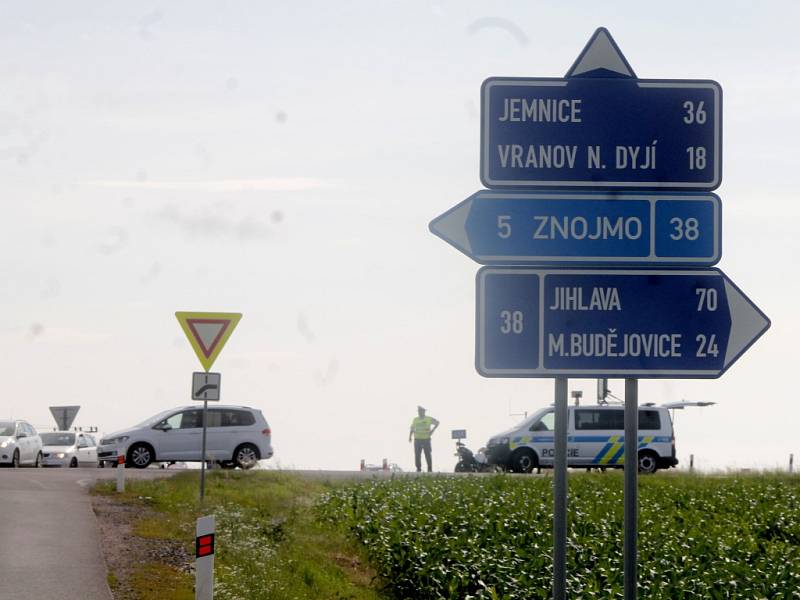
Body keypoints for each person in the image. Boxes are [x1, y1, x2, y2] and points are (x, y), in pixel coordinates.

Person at [409, 406, 439, 472]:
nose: (420, 412)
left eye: (421, 411)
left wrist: (432, 430)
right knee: (417, 454)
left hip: (426, 439)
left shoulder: (428, 419)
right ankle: (418, 468)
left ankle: (429, 469)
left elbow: (437, 422)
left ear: (424, 412)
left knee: (427, 454)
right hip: (417, 439)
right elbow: (412, 428)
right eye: (419, 411)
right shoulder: (415, 419)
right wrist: (410, 436)